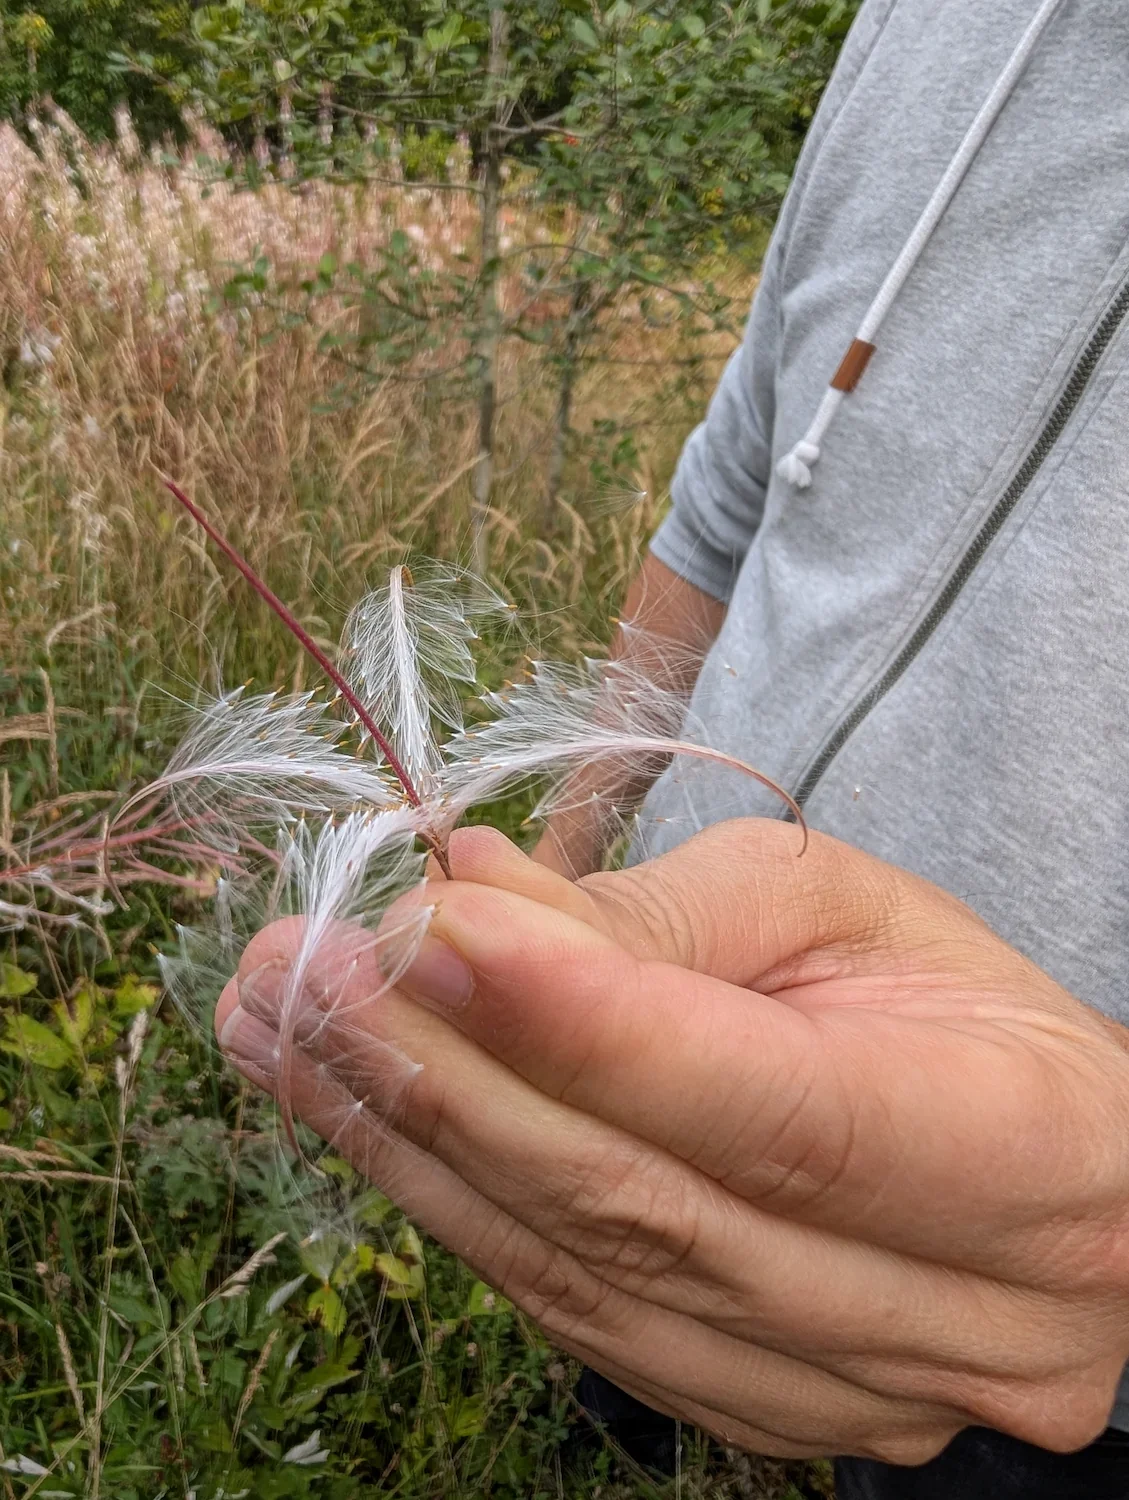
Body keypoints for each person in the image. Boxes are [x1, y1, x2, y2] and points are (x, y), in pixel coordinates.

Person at [215, 0, 1129, 1494]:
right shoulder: (923, 19)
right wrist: (572, 854)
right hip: (640, 1087)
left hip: (1052, 1371)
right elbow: (733, 493)